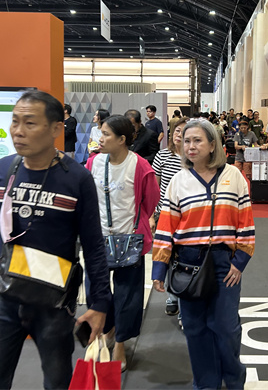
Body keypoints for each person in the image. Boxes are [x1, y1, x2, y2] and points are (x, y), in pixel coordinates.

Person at [0, 90, 112, 389]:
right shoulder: (2, 171)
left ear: (56, 128)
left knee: (58, 382)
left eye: (29, 123)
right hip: (2, 296)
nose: (18, 131)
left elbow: (94, 245)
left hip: (53, 301)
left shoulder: (76, 179)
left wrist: (100, 304)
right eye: (15, 121)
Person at [152, 119, 255, 390]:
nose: (190, 146)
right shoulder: (178, 181)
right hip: (187, 262)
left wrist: (240, 261)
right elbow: (166, 226)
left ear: (212, 144)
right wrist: (159, 267)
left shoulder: (234, 176)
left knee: (226, 327)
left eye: (197, 140)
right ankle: (206, 384)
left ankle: (233, 380)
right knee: (195, 328)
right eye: (186, 141)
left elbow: (245, 221)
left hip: (224, 263)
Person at [85, 115, 159, 371]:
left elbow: (150, 201)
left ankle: (120, 343)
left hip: (129, 239)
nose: (100, 138)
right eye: (101, 133)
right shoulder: (93, 163)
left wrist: (137, 224)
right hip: (98, 240)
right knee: (95, 291)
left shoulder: (139, 166)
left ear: (122, 139)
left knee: (128, 295)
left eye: (106, 134)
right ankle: (107, 329)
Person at [151, 116, 189, 326]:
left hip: (188, 217)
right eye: (176, 131)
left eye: (184, 131)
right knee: (167, 256)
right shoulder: (162, 156)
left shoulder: (194, 157)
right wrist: (153, 215)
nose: (179, 135)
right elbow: (155, 188)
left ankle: (183, 304)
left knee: (183, 260)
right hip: (165, 215)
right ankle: (172, 297)